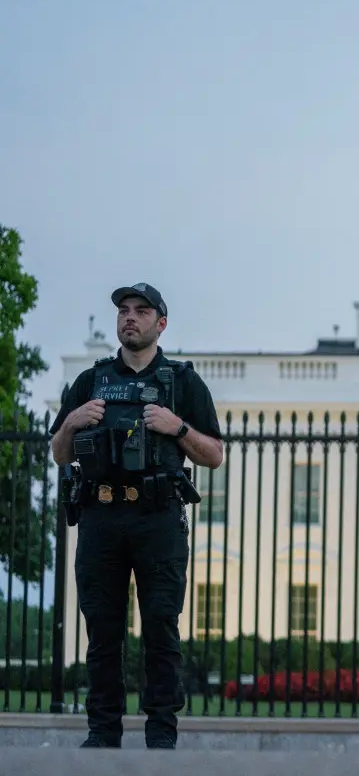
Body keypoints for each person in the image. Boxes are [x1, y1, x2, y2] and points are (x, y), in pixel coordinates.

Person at [49, 283, 224, 750]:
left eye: (141, 311)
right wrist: (71, 421)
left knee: (161, 628)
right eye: (124, 311)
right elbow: (59, 452)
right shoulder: (92, 381)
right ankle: (102, 732)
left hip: (158, 518)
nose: (130, 317)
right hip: (101, 516)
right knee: (102, 630)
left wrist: (177, 427)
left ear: (160, 323)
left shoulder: (183, 382)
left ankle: (161, 734)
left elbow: (214, 455)